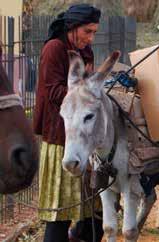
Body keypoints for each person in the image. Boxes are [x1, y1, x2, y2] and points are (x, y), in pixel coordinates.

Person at [33, 4, 104, 242]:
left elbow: (88, 85)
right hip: (60, 137)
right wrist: (87, 98)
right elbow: (53, 92)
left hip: (85, 138)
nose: (91, 37)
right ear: (73, 28)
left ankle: (79, 235)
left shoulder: (87, 52)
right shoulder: (54, 49)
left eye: (94, 32)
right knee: (60, 216)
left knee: (95, 216)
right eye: (87, 31)